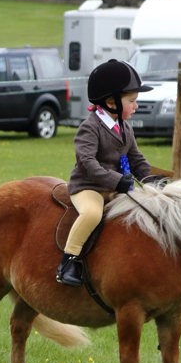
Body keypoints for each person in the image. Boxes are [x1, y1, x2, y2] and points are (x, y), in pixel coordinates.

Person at [56, 59, 155, 287]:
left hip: (115, 187)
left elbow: (136, 159)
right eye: (132, 101)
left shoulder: (125, 127)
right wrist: (116, 180)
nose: (136, 106)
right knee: (92, 214)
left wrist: (152, 180)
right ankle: (68, 261)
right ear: (111, 102)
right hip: (87, 187)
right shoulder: (89, 127)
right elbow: (87, 163)